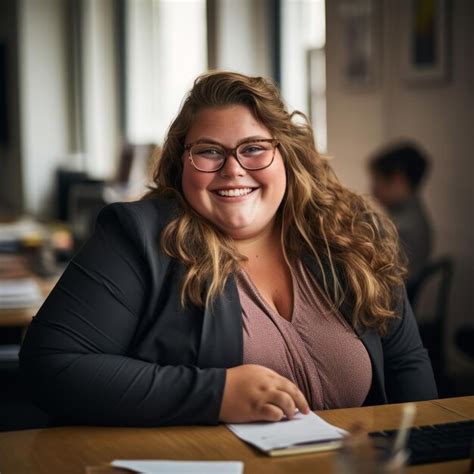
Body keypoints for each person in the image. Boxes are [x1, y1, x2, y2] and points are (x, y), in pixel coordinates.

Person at [19, 72, 437, 427]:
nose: (233, 169)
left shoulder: (351, 234)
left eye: (254, 148)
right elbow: (49, 365)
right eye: (209, 151)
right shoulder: (137, 237)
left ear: (286, 156)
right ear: (182, 162)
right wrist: (215, 394)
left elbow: (406, 363)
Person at [368, 142, 433, 282]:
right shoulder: (411, 215)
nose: (373, 189)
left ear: (399, 180)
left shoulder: (404, 228)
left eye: (377, 180)